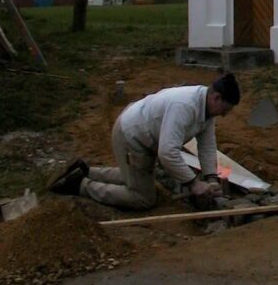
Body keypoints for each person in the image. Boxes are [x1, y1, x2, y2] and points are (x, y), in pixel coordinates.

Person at [48, 73, 241, 210]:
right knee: (143, 198)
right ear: (216, 97)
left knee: (134, 178)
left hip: (142, 137)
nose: (225, 114)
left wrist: (210, 178)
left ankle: (87, 170)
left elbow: (207, 147)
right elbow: (167, 153)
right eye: (226, 109)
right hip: (131, 137)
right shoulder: (185, 106)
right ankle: (81, 185)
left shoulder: (206, 110)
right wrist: (193, 183)